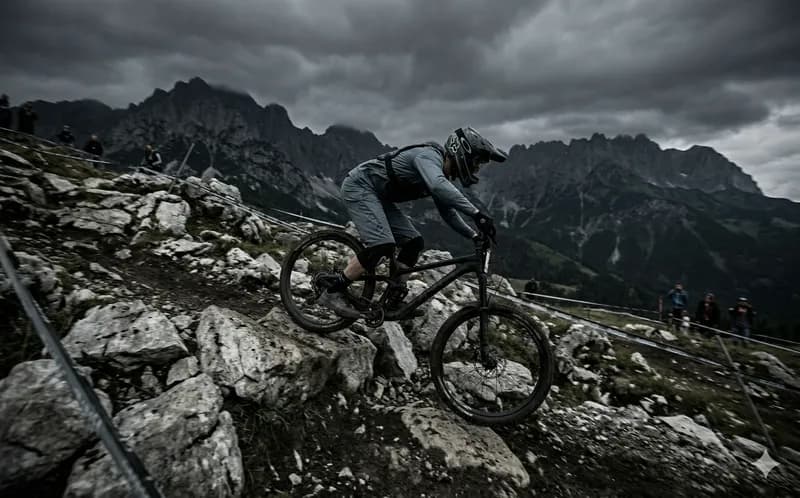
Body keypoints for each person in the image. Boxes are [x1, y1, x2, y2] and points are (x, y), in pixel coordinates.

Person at [315, 126, 507, 317]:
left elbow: (448, 213)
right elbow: (438, 187)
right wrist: (477, 214)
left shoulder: (439, 172)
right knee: (382, 245)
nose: (476, 168)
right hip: (360, 187)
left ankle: (392, 299)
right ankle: (333, 291)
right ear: (462, 153)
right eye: (476, 162)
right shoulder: (429, 157)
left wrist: (473, 235)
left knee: (414, 243)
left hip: (380, 197)